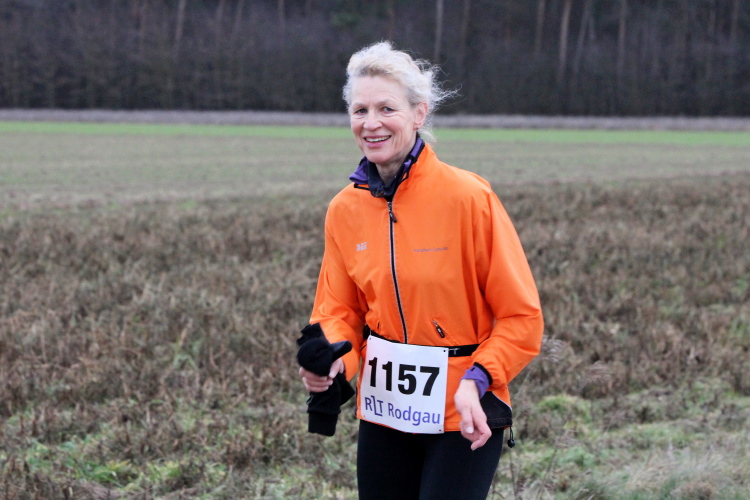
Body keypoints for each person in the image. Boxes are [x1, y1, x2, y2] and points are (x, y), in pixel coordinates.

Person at [297, 41, 544, 500]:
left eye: (386, 108)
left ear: (419, 113)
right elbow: (339, 314)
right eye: (360, 110)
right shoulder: (344, 210)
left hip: (465, 412)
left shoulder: (469, 198)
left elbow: (522, 318)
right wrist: (332, 364)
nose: (371, 123)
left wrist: (478, 379)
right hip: (385, 414)